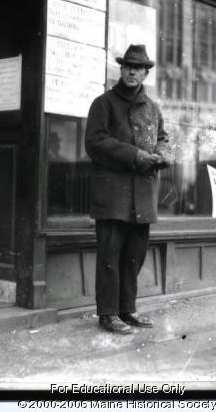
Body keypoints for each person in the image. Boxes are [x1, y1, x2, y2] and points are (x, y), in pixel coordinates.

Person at [85, 44, 172, 334]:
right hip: (113, 195)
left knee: (135, 254)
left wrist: (162, 152)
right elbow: (95, 143)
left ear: (146, 72)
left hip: (143, 196)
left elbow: (163, 137)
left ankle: (127, 309)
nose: (132, 71)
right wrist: (135, 155)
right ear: (121, 70)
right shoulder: (104, 103)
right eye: (128, 66)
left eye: (139, 68)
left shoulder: (152, 107)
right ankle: (108, 313)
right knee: (109, 255)